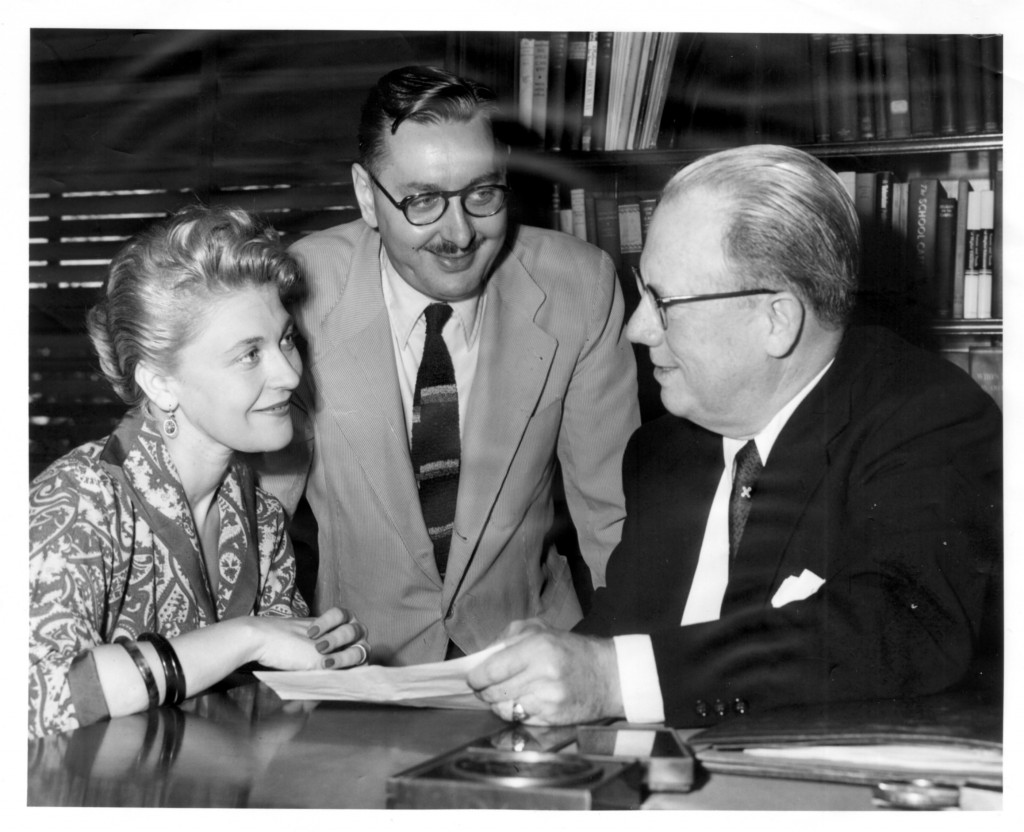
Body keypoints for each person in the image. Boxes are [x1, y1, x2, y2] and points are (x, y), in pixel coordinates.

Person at [467, 144, 1002, 727]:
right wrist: (532, 669)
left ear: (777, 319)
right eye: (640, 291)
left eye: (663, 302)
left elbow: (904, 621)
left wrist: (610, 678)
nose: (636, 328)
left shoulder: (927, 417)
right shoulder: (664, 451)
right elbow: (622, 641)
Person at [258, 65, 639, 665]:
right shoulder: (300, 292)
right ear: (366, 195)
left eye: (482, 194)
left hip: (531, 653)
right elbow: (259, 520)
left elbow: (612, 515)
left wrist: (616, 677)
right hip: (360, 669)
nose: (459, 234)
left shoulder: (580, 285)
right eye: (422, 201)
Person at [29, 205, 369, 739]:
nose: (289, 373)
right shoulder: (77, 502)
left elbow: (272, 709)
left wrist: (326, 657)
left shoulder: (259, 514)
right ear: (161, 384)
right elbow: (34, 697)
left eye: (284, 339)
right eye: (248, 355)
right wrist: (249, 636)